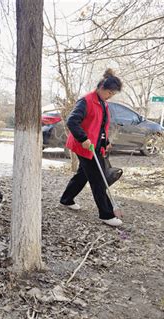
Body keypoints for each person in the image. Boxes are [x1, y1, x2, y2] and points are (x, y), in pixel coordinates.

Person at [60, 69, 123, 227]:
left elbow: (100, 126)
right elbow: (72, 121)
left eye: (112, 94)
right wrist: (83, 139)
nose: (110, 96)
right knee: (98, 179)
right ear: (101, 87)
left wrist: (105, 141)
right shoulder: (86, 101)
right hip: (84, 146)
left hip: (95, 146)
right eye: (109, 92)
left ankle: (66, 199)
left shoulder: (103, 103)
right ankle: (106, 214)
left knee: (83, 174)